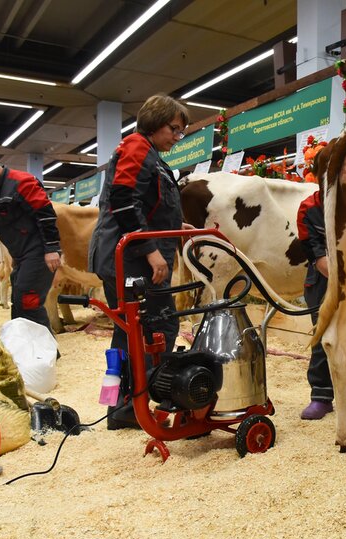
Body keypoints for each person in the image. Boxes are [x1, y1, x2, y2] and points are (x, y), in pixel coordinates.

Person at [88, 94, 190, 430]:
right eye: (174, 129)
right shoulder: (137, 147)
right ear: (155, 123)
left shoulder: (149, 154)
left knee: (128, 330)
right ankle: (138, 403)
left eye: (180, 132)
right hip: (131, 257)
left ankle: (119, 404)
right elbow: (123, 200)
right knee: (156, 326)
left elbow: (146, 203)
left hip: (129, 253)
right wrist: (150, 251)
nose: (177, 137)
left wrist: (176, 226)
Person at [296, 189, 346, 420]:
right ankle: (321, 396)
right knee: (322, 336)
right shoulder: (309, 209)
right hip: (323, 277)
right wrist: (342, 277)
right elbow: (317, 256)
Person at [0, 154, 61, 328]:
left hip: (38, 252)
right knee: (18, 301)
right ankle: (25, 348)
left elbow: (45, 214)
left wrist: (52, 248)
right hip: (22, 255)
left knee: (28, 300)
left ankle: (45, 352)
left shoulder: (21, 182)